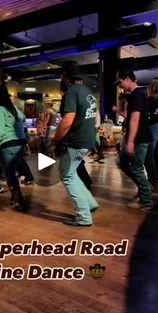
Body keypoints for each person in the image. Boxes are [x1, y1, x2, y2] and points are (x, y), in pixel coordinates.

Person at [48, 62, 98, 226]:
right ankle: (89, 203)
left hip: (76, 141)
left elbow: (67, 121)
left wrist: (53, 142)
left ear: (65, 76)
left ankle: (83, 217)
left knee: (67, 175)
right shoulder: (88, 91)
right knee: (72, 173)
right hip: (87, 139)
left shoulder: (71, 93)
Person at [0, 85, 30, 210]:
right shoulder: (15, 109)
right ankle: (14, 198)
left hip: (8, 146)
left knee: (9, 175)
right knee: (13, 173)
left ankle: (19, 202)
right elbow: (23, 123)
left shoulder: (0, 110)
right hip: (19, 145)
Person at [115, 69, 153, 211]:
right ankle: (146, 188)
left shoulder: (137, 94)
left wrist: (130, 141)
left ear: (127, 78)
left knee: (136, 169)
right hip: (140, 137)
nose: (119, 85)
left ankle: (146, 201)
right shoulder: (135, 95)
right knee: (122, 162)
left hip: (140, 138)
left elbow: (135, 119)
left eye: (119, 82)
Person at [144, 78, 158, 189]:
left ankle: (152, 181)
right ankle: (154, 179)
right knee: (154, 156)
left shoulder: (151, 98)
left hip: (153, 129)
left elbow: (147, 116)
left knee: (148, 157)